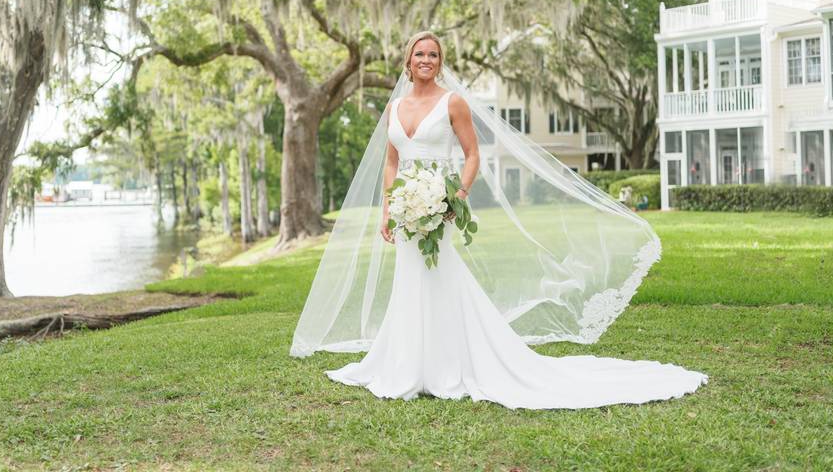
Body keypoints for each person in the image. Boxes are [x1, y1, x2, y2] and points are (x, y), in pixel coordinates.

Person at [290, 31, 708, 410]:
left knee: (438, 273)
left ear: (440, 61)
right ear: (407, 60)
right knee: (410, 278)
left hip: (439, 203)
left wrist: (456, 195)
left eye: (434, 54)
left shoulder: (452, 101)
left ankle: (448, 363)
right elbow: (392, 160)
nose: (426, 59)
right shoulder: (395, 106)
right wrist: (388, 206)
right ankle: (408, 362)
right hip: (404, 207)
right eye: (420, 53)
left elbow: (472, 154)